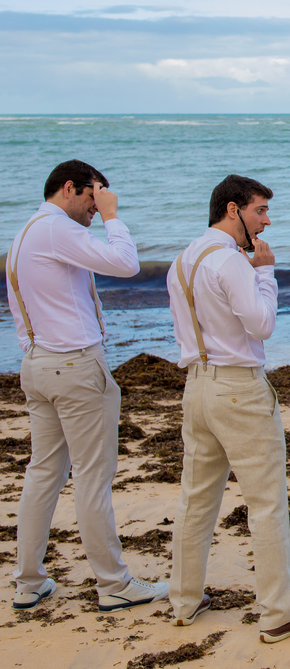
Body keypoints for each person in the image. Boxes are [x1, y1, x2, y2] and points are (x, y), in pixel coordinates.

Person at [7, 160, 168, 612]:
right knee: (93, 478)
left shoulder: (27, 231)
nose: (97, 209)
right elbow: (126, 263)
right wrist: (116, 216)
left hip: (38, 363)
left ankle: (29, 580)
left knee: (43, 474)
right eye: (94, 196)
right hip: (74, 366)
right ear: (69, 188)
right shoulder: (56, 228)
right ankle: (113, 583)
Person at [165, 174, 290, 642]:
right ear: (233, 210)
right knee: (267, 502)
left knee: (197, 498)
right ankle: (276, 614)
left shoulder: (182, 259)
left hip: (198, 386)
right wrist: (266, 272)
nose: (265, 223)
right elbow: (262, 325)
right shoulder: (230, 262)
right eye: (260, 212)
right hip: (238, 387)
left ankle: (185, 600)